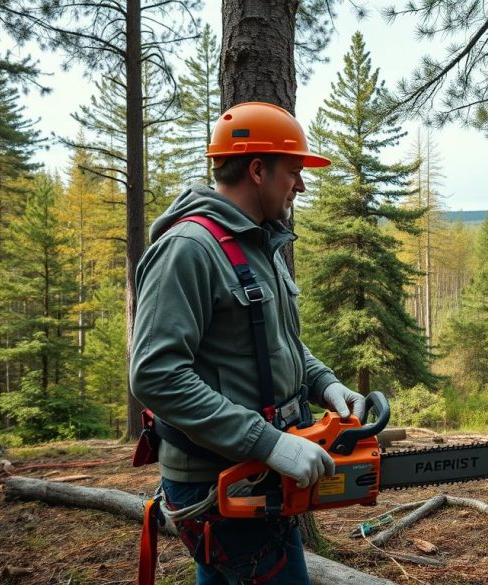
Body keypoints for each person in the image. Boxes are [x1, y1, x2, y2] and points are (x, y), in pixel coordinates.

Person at [130, 102, 367, 584]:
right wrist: (268, 441)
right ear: (258, 169)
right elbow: (156, 373)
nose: (299, 186)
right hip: (220, 479)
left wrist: (325, 384)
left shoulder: (258, 244)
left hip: (256, 470)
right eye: (293, 173)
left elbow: (277, 341)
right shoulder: (190, 249)